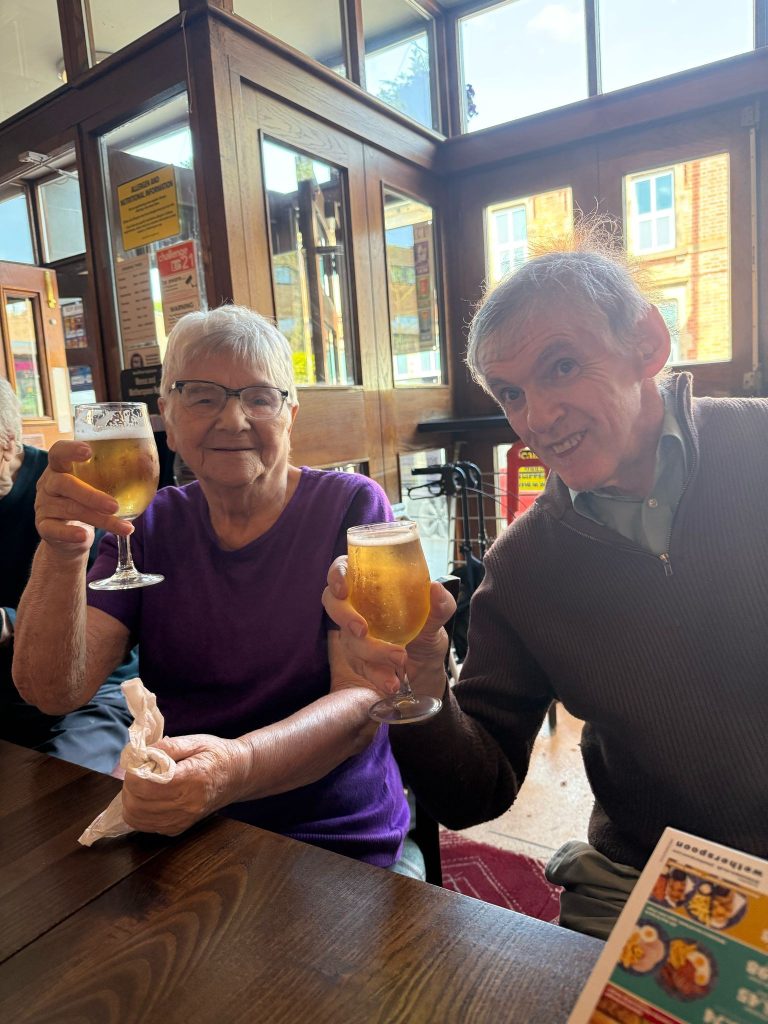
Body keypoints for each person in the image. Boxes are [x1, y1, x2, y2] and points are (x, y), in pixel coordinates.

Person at [322, 244, 768, 938]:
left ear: (646, 343)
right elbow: (475, 792)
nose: (537, 418)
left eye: (561, 366)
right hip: (657, 885)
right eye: (512, 393)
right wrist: (419, 684)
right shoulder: (524, 565)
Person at [13, 305, 411, 871]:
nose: (233, 419)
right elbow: (54, 691)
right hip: (179, 822)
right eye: (202, 396)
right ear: (168, 420)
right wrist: (61, 551)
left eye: (260, 397)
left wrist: (234, 768)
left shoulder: (350, 505)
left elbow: (362, 697)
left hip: (327, 832)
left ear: (290, 415)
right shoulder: (150, 522)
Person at [0, 377, 135, 772]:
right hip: (7, 694)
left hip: (92, 691)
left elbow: (97, 618)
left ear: (6, 442)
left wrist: (7, 622)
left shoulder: (68, 496)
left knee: (64, 788)